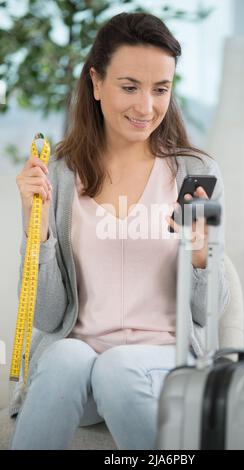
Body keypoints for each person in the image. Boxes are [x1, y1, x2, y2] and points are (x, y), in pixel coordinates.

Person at [9, 12, 230, 450]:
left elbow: (207, 313)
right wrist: (39, 231)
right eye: (129, 87)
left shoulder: (196, 172)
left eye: (160, 89)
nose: (146, 107)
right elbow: (48, 317)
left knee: (120, 366)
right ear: (96, 83)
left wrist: (202, 256)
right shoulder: (60, 174)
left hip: (166, 365)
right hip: (80, 367)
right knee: (69, 354)